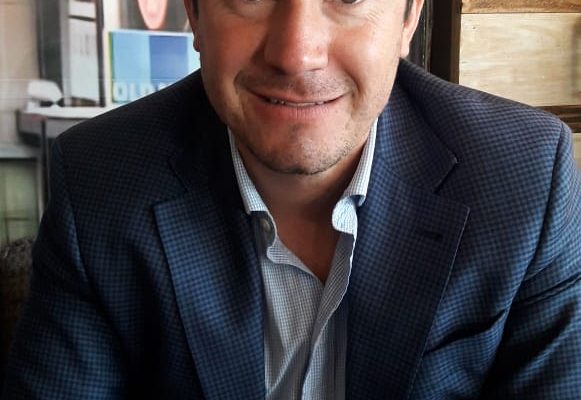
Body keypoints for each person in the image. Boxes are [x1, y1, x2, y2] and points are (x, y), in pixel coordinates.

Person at [3, 0, 580, 398]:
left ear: (409, 18)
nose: (296, 53)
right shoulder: (98, 180)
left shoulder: (525, 177)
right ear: (195, 14)